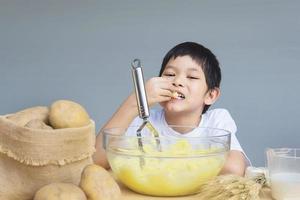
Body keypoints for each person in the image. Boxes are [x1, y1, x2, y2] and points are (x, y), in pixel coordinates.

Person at [94, 42, 250, 176]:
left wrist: (167, 160)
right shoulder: (142, 122)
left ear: (210, 95)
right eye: (169, 74)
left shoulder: (217, 121)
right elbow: (95, 160)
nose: (177, 81)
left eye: (192, 77)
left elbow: (233, 168)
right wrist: (136, 101)